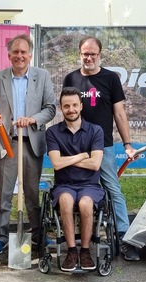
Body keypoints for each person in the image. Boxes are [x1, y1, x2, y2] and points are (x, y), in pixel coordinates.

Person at [62, 36, 140, 261]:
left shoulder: (110, 78)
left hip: (103, 147)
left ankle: (124, 237)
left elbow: (119, 114)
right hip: (75, 147)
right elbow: (67, 111)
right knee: (72, 189)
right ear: (79, 54)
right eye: (85, 53)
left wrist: (127, 145)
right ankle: (73, 238)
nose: (89, 57)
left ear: (100, 55)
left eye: (93, 54)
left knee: (113, 190)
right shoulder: (71, 78)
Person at [0, 34, 57, 255]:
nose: (19, 56)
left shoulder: (42, 76)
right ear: (9, 55)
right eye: (15, 52)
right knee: (4, 194)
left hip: (32, 143)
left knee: (31, 195)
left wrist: (33, 119)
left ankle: (38, 235)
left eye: (23, 52)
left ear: (30, 55)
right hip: (7, 143)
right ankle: (1, 237)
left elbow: (50, 108)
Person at [45, 87, 104, 271]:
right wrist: (82, 155)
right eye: (66, 106)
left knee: (86, 204)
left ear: (81, 106)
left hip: (90, 185)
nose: (71, 109)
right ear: (61, 108)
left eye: (74, 105)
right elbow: (56, 164)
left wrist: (67, 160)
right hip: (64, 185)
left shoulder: (95, 130)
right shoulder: (53, 132)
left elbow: (95, 165)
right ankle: (71, 251)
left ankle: (85, 251)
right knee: (65, 200)